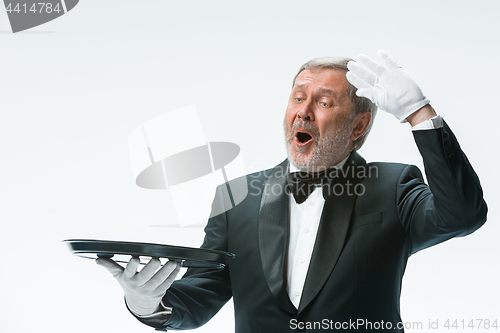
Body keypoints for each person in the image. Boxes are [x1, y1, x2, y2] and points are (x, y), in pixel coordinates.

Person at [97, 51, 487, 332]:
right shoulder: (237, 198)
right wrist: (146, 303)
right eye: (299, 98)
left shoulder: (394, 186)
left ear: (357, 126)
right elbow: (199, 298)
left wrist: (419, 113)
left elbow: (463, 215)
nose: (304, 111)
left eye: (324, 101)